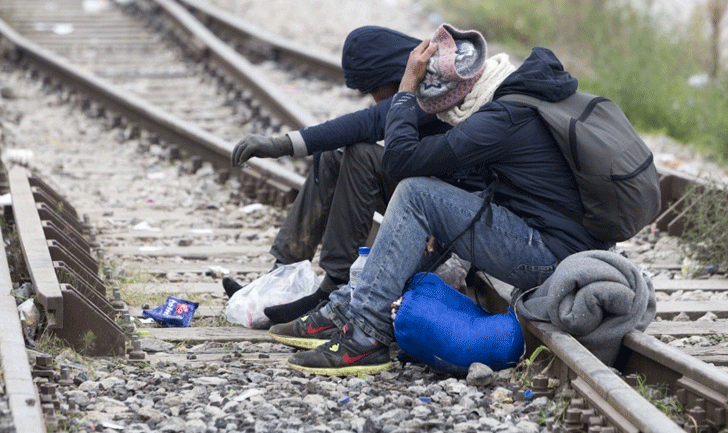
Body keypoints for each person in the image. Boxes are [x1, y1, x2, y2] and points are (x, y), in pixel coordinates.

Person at [268, 23, 613, 376]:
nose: (429, 111)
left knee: (416, 194)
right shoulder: (502, 96)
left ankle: (365, 337)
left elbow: (400, 159)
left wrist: (405, 89)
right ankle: (344, 308)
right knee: (423, 193)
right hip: (546, 238)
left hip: (549, 256)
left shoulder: (496, 120)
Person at [226, 26, 479, 324]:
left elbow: (370, 122)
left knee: (360, 153)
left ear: (391, 76)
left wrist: (281, 144)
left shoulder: (438, 86)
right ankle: (281, 278)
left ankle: (332, 287)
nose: (373, 98)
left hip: (460, 213)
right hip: (434, 192)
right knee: (333, 153)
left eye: (373, 89)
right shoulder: (429, 75)